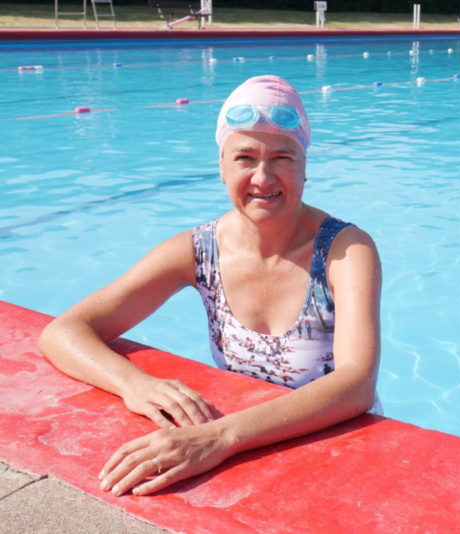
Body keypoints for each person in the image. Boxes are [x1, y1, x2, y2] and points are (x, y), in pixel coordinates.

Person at [37, 75, 382, 497]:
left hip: (337, 451)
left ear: (305, 166)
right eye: (244, 158)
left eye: (282, 157)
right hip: (247, 463)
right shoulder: (198, 251)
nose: (263, 177)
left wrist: (220, 438)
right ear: (221, 167)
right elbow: (65, 331)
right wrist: (135, 384)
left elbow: (357, 384)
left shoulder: (344, 250)